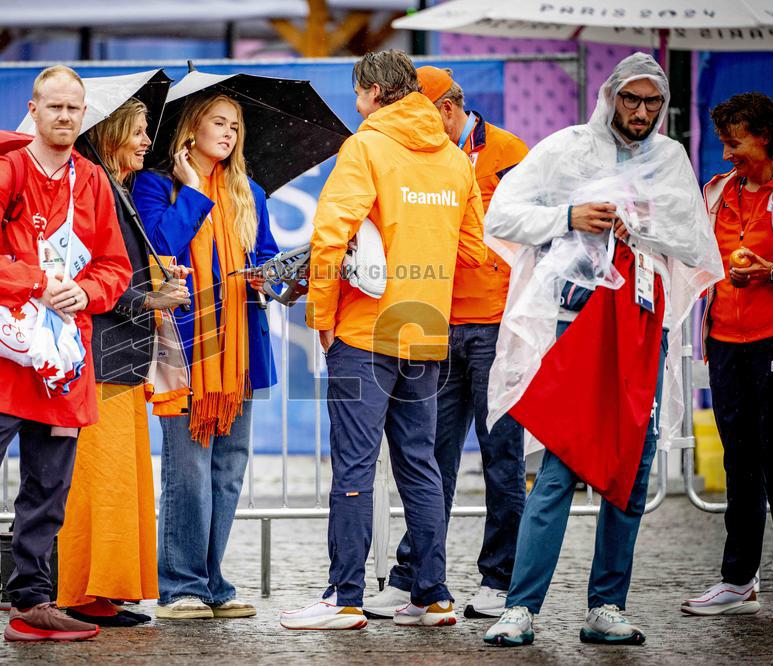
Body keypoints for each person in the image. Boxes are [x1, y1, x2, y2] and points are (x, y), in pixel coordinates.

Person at [481, 53, 722, 647]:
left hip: (641, 330)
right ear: (610, 95)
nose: (641, 112)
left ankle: (606, 605)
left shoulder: (669, 159)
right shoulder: (566, 149)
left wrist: (640, 225)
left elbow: (694, 238)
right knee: (561, 467)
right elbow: (503, 213)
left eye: (653, 103)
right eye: (631, 99)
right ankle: (521, 606)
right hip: (575, 326)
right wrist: (570, 214)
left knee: (630, 474)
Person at [0, 65, 133, 643]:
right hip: (3, 358)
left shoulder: (92, 180)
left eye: (74, 109)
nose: (64, 117)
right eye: (54, 107)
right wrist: (36, 282)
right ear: (33, 109)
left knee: (48, 488)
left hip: (61, 360)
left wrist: (86, 290)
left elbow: (115, 267)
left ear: (84, 115)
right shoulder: (3, 172)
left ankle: (31, 603)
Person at [279, 50, 486, 631]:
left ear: (372, 91)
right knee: (420, 465)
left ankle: (344, 597)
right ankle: (433, 596)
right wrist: (422, 240)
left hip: (364, 330)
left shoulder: (364, 147)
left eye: (357, 95)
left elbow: (328, 239)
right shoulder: (452, 157)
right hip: (426, 329)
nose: (356, 105)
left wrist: (321, 317)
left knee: (353, 467)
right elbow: (473, 247)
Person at [365, 65, 529, 621]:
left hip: (496, 326)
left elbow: (526, 236)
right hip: (434, 322)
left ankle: (500, 579)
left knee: (502, 456)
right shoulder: (410, 154)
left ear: (443, 109)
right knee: (429, 458)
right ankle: (416, 576)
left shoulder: (508, 152)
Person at [131, 92, 280, 621]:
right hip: (184, 350)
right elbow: (160, 246)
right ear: (190, 129)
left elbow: (264, 257)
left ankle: (213, 583)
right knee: (187, 471)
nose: (230, 133)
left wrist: (273, 277)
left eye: (235, 126)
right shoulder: (154, 185)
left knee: (228, 470)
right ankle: (179, 586)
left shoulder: (251, 192)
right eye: (219, 122)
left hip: (237, 354)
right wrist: (192, 192)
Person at [55, 98, 191, 627]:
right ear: (109, 133)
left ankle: (102, 591)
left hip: (121, 356)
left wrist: (154, 281)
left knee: (117, 479)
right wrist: (149, 299)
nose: (144, 142)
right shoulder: (96, 190)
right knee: (101, 481)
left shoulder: (114, 190)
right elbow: (89, 277)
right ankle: (84, 592)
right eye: (136, 131)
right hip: (103, 355)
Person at [681, 92, 773, 618]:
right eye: (721, 142)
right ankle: (739, 581)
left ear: (763, 136)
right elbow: (696, 252)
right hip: (725, 344)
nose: (725, 154)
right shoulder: (717, 191)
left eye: (733, 142)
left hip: (772, 343)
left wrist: (771, 273)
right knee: (740, 463)